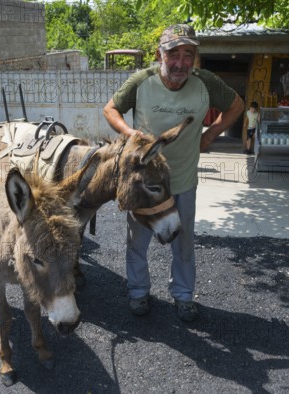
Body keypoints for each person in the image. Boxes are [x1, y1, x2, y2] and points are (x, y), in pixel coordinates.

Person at [103, 24, 244, 322]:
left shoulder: (206, 82)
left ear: (195, 58)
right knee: (137, 242)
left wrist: (210, 135)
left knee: (183, 243)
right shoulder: (142, 81)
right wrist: (131, 134)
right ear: (160, 55)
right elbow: (111, 109)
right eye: (173, 54)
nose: (180, 63)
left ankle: (183, 295)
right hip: (144, 184)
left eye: (188, 55)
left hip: (182, 182)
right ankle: (138, 292)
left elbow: (236, 105)